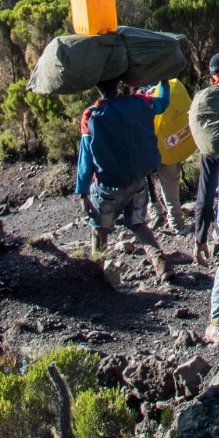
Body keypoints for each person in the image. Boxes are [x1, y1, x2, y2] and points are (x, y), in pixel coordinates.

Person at [76, 75, 174, 283]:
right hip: (137, 180)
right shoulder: (139, 103)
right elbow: (163, 103)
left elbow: (85, 157)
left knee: (100, 228)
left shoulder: (91, 115)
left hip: (107, 187)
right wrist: (163, 80)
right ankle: (162, 264)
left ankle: (98, 275)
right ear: (120, 84)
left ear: (97, 88)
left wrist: (83, 192)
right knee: (138, 223)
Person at [193, 52, 219, 267]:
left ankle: (214, 239)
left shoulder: (206, 99)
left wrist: (200, 236)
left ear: (213, 76)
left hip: (213, 151)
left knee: (209, 188)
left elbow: (205, 190)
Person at [143, 74, 195, 233]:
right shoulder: (171, 87)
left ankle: (155, 211)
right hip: (169, 146)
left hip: (146, 148)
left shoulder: (138, 99)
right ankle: (176, 223)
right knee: (170, 183)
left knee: (146, 181)